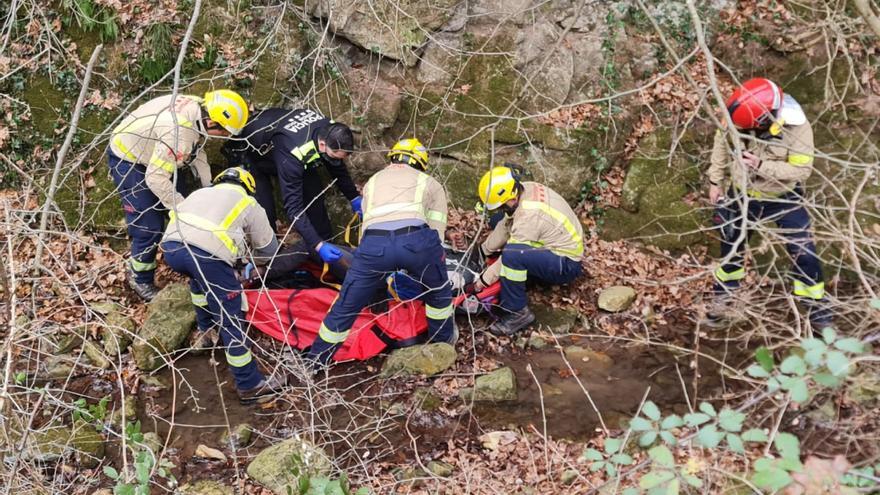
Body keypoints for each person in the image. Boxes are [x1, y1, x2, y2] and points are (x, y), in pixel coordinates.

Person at [306, 138, 455, 366]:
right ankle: (443, 346)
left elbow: (367, 225)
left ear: (393, 157)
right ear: (420, 162)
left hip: (374, 245)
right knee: (438, 293)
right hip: (416, 241)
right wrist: (430, 264)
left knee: (346, 306)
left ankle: (315, 361)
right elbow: (437, 232)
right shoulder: (429, 182)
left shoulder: (373, 181)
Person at [705, 77, 831, 329]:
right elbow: (721, 141)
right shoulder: (739, 114)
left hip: (782, 197)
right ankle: (724, 298)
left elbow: (801, 171)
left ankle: (816, 310)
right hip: (742, 196)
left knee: (804, 252)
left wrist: (762, 165)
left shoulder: (798, 128)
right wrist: (714, 180)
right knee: (731, 248)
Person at [108, 89, 249, 301]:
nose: (225, 138)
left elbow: (196, 150)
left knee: (188, 200)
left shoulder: (199, 108)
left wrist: (209, 187)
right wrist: (179, 209)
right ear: (212, 123)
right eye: (226, 133)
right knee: (148, 225)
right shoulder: (178, 134)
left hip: (156, 149)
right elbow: (155, 178)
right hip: (129, 157)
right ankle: (140, 277)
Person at [160, 167, 285, 404]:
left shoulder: (200, 193)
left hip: (172, 249)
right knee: (231, 317)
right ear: (249, 187)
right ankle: (249, 384)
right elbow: (269, 248)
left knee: (198, 282)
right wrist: (253, 265)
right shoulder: (248, 202)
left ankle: (206, 332)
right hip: (207, 256)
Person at [221, 108, 360, 277]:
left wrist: (353, 197)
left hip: (277, 137)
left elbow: (337, 167)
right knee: (265, 216)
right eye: (334, 155)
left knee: (316, 205)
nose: (336, 160)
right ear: (322, 145)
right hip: (253, 152)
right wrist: (317, 244)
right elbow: (293, 208)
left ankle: (323, 246)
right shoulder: (293, 153)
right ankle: (265, 269)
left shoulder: (330, 130)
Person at [470, 166, 585, 336]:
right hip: (551, 241)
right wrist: (483, 250)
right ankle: (523, 275)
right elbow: (506, 223)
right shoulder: (523, 189)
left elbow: (510, 254)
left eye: (501, 205)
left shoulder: (529, 215)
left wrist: (482, 281)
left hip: (565, 263)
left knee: (512, 256)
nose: (501, 208)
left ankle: (517, 313)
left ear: (510, 198)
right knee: (497, 220)